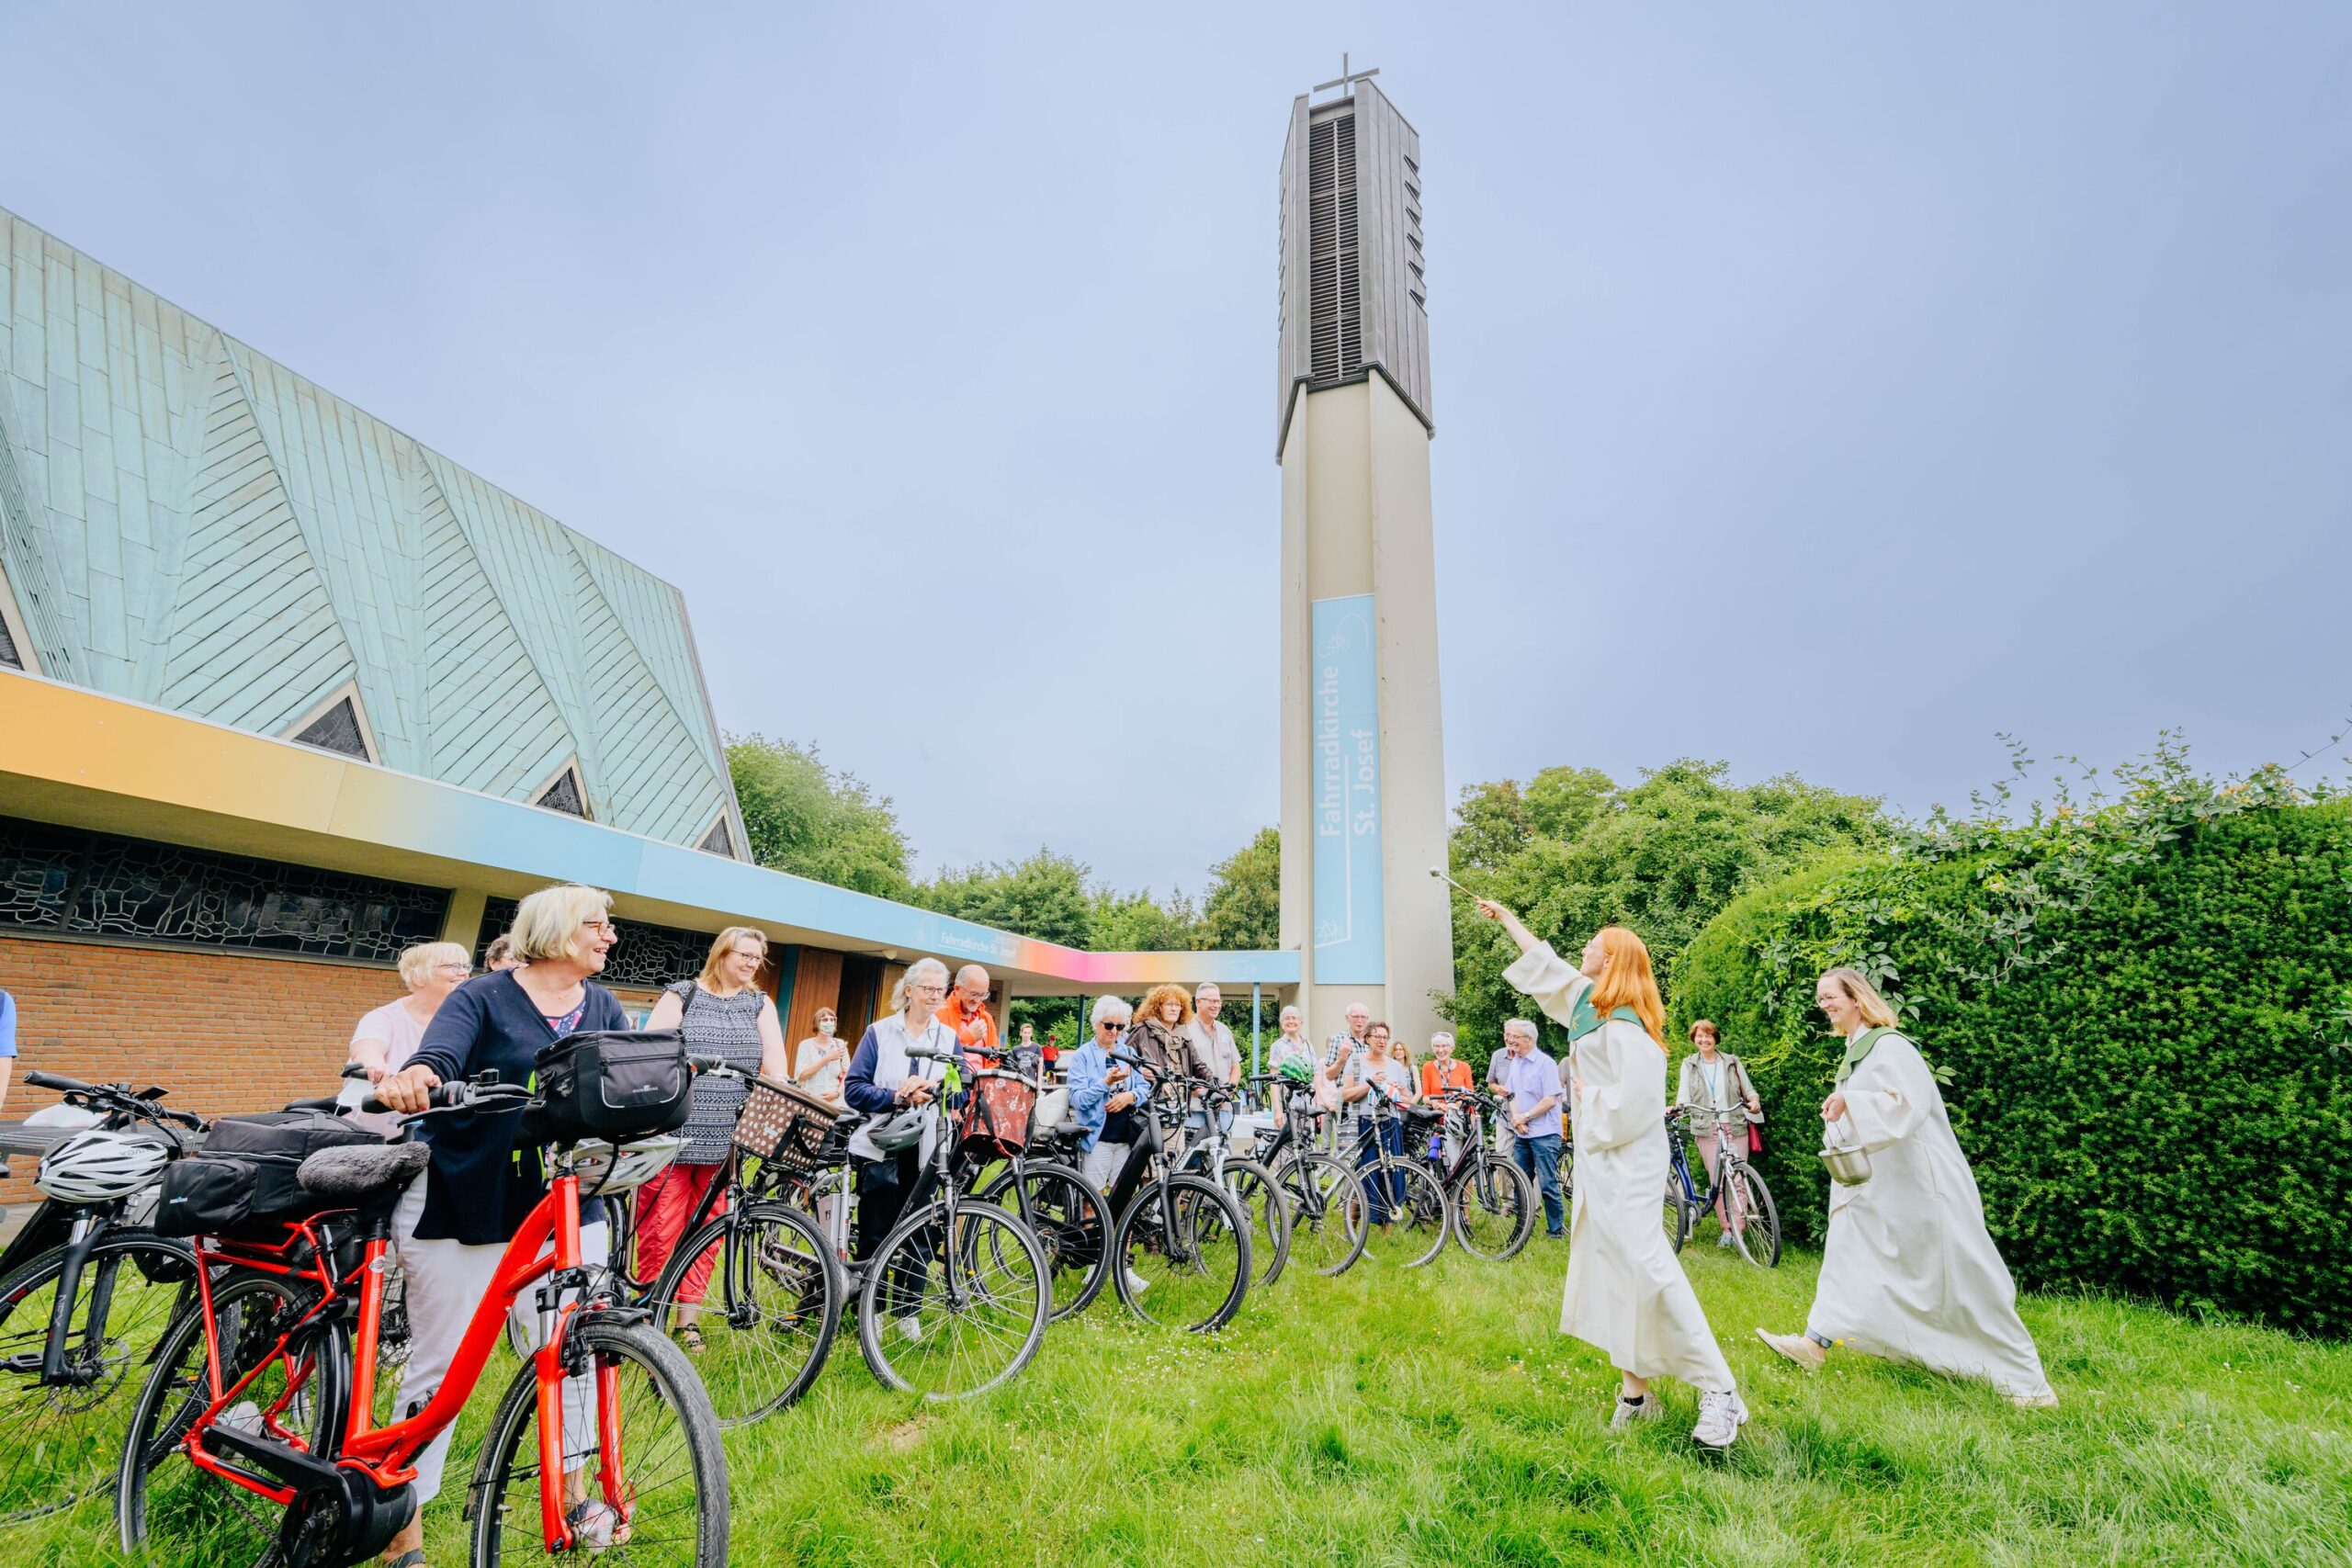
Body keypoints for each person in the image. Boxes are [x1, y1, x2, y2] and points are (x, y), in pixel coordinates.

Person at [375, 883, 634, 1557]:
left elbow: (622, 1081)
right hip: (473, 1199)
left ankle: (573, 1494)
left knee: (573, 1354)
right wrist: (419, 1074)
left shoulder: (602, 1004)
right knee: (443, 1369)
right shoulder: (480, 996)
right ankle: (402, 1529)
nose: (609, 935)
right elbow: (438, 1057)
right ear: (553, 928)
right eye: (596, 924)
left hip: (573, 1204)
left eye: (609, 926)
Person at [1479, 897, 1748, 1450]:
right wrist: (1507, 920)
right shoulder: (1587, 1003)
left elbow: (1641, 1101)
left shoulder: (1630, 1028)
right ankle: (1636, 1394)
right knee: (1610, 1268)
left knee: (1646, 1265)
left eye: (1593, 947)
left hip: (1630, 1156)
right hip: (1602, 1157)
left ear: (1613, 961)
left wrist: (1587, 1097)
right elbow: (1544, 962)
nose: (1583, 950)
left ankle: (1721, 1390)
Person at [1756, 968, 2057, 1408]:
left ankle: (2028, 1383)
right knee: (1846, 1254)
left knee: (1959, 1280)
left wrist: (1851, 1102)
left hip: (1918, 1190)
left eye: (1830, 997)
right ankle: (1814, 1344)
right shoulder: (1853, 1050)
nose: (1823, 1005)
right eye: (1819, 998)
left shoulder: (1891, 1046)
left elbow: (1910, 1105)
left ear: (1856, 998)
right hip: (1874, 1189)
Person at [633, 927, 790, 1351]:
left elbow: (775, 1064)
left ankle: (689, 1320)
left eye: (758, 958)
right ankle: (648, 1316)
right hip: (672, 1131)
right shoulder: (683, 994)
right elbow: (649, 1055)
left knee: (708, 1227)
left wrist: (782, 1093)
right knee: (659, 1226)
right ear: (721, 953)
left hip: (727, 1136)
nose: (750, 963)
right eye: (744, 955)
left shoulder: (759, 1004)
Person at [842, 957, 956, 1342]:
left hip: (926, 1146)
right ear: (908, 990)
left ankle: (908, 1311)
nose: (935, 996)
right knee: (876, 1228)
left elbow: (961, 1088)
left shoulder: (948, 1037)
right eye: (928, 988)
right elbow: (854, 1088)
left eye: (941, 990)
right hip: (881, 1143)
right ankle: (870, 1309)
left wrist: (934, 1091)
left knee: (920, 1232)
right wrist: (896, 1096)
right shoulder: (879, 1032)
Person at [339, 942, 471, 1135]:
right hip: (379, 1134)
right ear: (418, 977)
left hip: (439, 1133)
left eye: (466, 967)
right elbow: (367, 1046)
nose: (464, 973)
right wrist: (373, 1064)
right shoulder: (384, 1017)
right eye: (453, 966)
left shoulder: (464, 1022)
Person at [1677, 1021, 1762, 1248]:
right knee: (1720, 1183)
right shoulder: (1689, 1064)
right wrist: (1678, 1107)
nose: (1704, 1040)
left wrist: (1754, 1102)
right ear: (1694, 1039)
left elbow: (1750, 1090)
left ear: (1716, 1038)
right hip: (1707, 1128)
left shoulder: (1732, 1062)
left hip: (1734, 1124)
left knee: (1738, 1178)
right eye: (1699, 1037)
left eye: (1708, 1036)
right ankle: (1727, 1229)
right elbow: (1683, 1094)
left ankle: (1738, 1230)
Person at [1491, 1020, 1566, 1240]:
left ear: (1529, 1039)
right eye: (1510, 1036)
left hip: (1544, 1133)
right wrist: (1516, 1118)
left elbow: (1550, 1099)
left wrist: (1526, 1116)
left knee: (1547, 1183)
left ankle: (1555, 1231)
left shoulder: (1546, 1064)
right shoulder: (1517, 1063)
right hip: (1522, 1132)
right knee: (1520, 1180)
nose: (1510, 1040)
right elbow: (1510, 1094)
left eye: (1515, 1036)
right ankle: (1523, 1228)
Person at [1339, 1021, 1416, 1228]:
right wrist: (1369, 1083)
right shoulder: (1356, 1062)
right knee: (1364, 1175)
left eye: (1385, 1037)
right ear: (1367, 1039)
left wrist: (1397, 1091)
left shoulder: (1395, 1066)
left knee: (1391, 1174)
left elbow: (1408, 1101)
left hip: (1390, 1124)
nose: (1382, 1041)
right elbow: (1346, 1094)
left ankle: (1387, 1231)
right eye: (1377, 1036)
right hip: (1365, 1124)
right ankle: (1352, 1226)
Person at [1066, 996, 1146, 1190]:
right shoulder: (1082, 1055)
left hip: (1126, 1139)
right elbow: (1077, 1100)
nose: (1114, 1032)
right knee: (1092, 1199)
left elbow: (1144, 1087)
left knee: (1122, 1196)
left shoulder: (1128, 1052)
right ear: (1096, 1024)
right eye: (1109, 1026)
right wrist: (1106, 1082)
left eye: (1120, 1027)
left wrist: (1130, 1097)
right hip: (1097, 1138)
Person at [940, 964, 1001, 1067]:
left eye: (983, 995)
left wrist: (983, 1081)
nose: (978, 1000)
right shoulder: (940, 1014)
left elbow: (994, 1060)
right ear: (957, 989)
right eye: (974, 994)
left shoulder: (986, 1018)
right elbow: (937, 1057)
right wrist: (968, 1037)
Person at [794, 1007, 849, 1107]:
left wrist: (837, 1093)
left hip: (835, 1103)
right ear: (817, 1023)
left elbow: (847, 1073)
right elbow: (801, 1076)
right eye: (825, 1020)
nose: (829, 1022)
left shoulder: (839, 1044)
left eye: (832, 1020)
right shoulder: (805, 1045)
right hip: (810, 1101)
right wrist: (828, 1058)